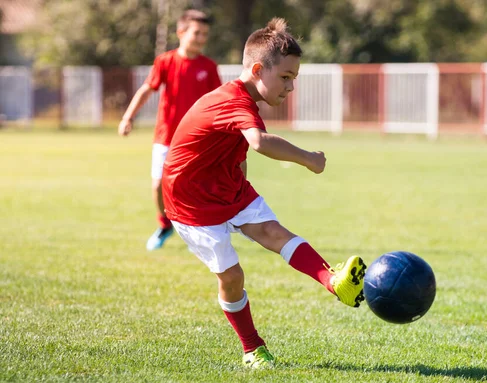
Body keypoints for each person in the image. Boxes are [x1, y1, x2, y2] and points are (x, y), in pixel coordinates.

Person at [161, 18, 367, 369]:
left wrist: (241, 198)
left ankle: (334, 282)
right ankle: (252, 348)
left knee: (274, 232)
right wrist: (309, 159)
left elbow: (237, 153)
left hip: (227, 185)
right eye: (285, 78)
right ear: (257, 69)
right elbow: (258, 142)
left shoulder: (244, 104)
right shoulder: (231, 100)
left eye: (293, 79)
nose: (290, 87)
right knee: (232, 276)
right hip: (190, 202)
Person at [118, 9, 222, 251]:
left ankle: (197, 229)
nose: (201, 38)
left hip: (198, 140)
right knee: (158, 186)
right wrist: (128, 117)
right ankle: (165, 224)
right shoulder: (165, 61)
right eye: (197, 33)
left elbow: (217, 102)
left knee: (197, 187)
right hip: (166, 137)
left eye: (205, 34)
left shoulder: (209, 67)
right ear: (181, 32)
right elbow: (146, 89)